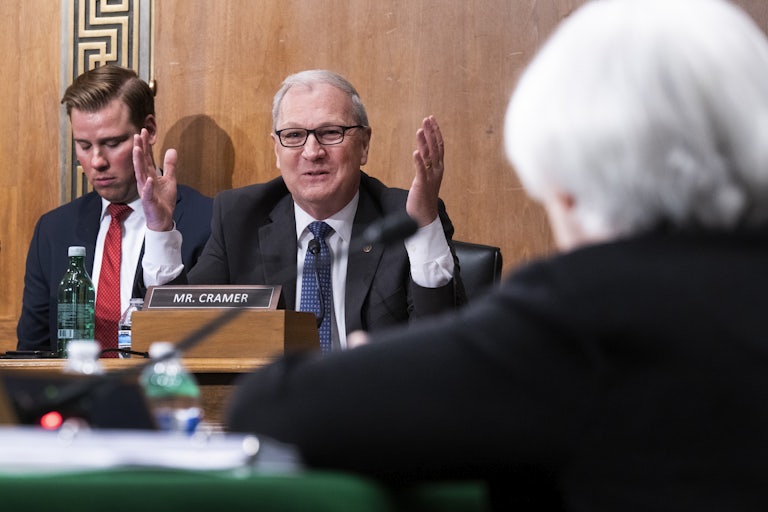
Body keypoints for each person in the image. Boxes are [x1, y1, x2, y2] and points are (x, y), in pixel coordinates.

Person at [225, 0, 768, 510]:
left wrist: (367, 367)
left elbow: (270, 407)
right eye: (294, 136)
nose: (312, 150)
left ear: (565, 182)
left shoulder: (575, 314)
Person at [141, 70, 465, 351]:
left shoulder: (403, 220)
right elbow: (180, 333)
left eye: (330, 133)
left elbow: (441, 347)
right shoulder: (240, 217)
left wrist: (423, 227)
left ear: (364, 144)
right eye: (294, 135)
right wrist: (159, 229)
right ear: (276, 150)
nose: (312, 152)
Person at [17, 65, 212, 355]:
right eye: (83, 145)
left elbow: (202, 341)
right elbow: (31, 352)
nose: (96, 162)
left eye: (112, 143)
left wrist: (161, 229)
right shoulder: (53, 229)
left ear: (149, 130)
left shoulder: (207, 221)